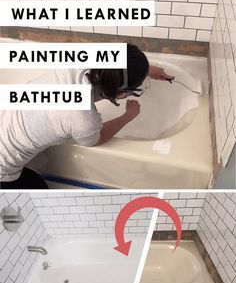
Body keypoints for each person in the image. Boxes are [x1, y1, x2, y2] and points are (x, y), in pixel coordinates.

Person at [0, 44, 174, 189]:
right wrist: (128, 115)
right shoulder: (83, 120)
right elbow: (98, 138)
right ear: (121, 93)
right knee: (38, 188)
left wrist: (144, 70)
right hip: (3, 168)